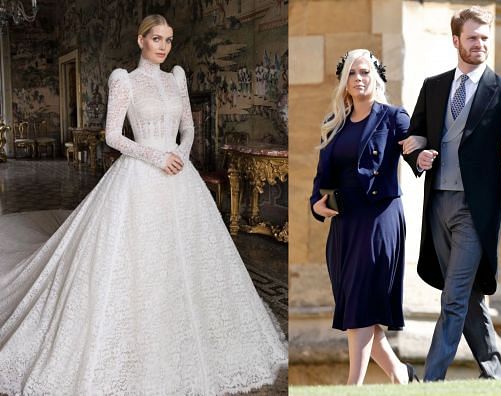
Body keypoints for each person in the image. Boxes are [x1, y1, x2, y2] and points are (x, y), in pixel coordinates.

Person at [0, 15, 287, 394]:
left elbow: (189, 128)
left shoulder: (177, 78)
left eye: (168, 39)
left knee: (190, 257)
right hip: (140, 171)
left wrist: (181, 156)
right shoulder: (125, 80)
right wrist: (155, 157)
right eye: (156, 38)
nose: (164, 46)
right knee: (135, 257)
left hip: (178, 174)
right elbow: (112, 135)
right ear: (141, 40)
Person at [402, 6, 501, 381]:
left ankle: (431, 381)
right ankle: (495, 374)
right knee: (469, 293)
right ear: (456, 40)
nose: (480, 45)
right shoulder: (434, 86)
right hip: (438, 204)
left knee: (454, 297)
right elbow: (414, 138)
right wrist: (418, 155)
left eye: (485, 38)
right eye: (473, 38)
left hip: (476, 211)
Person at [309, 49, 421, 385]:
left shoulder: (393, 117)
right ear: (345, 83)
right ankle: (403, 375)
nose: (360, 79)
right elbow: (321, 178)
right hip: (344, 224)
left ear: (376, 78)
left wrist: (423, 156)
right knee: (361, 311)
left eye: (365, 72)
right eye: (353, 74)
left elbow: (413, 150)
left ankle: (352, 388)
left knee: (359, 306)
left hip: (378, 219)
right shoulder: (333, 125)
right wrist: (315, 202)